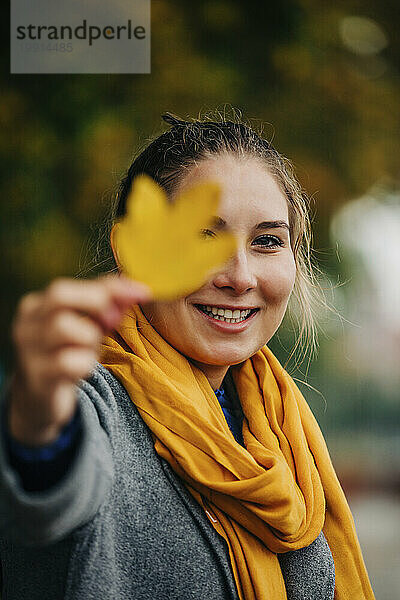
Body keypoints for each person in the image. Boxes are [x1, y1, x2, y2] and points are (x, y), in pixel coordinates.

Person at [0, 113, 375, 600]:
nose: (240, 276)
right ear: (133, 252)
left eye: (267, 241)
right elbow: (41, 493)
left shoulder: (284, 429)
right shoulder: (89, 405)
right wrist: (35, 421)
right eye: (204, 237)